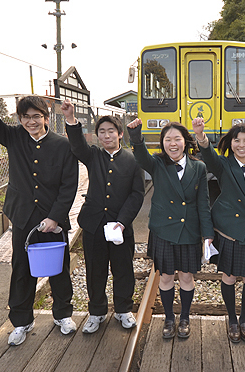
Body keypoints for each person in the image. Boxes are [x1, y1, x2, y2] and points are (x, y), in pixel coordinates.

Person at [0, 61, 78, 346]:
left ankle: (63, 314)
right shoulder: (13, 136)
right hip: (23, 217)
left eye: (36, 116)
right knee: (21, 268)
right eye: (25, 117)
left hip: (52, 218)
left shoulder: (62, 145)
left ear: (46, 117)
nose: (31, 121)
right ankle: (22, 321)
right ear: (20, 118)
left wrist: (55, 217)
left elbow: (68, 185)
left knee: (59, 268)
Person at [61, 102, 144, 334]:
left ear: (120, 134)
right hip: (94, 224)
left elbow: (137, 194)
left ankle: (123, 310)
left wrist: (123, 221)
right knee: (95, 270)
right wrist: (70, 119)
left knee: (123, 269)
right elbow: (77, 146)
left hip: (120, 226)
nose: (106, 135)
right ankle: (96, 312)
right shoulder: (93, 155)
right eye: (102, 132)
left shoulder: (133, 160)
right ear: (97, 136)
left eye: (111, 131)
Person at [127, 119, 214, 339]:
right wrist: (136, 135)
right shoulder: (156, 163)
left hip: (189, 231)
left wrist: (208, 234)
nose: (172, 144)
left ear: (185, 142)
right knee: (165, 277)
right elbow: (140, 156)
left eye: (177, 139)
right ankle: (168, 317)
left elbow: (203, 203)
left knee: (186, 276)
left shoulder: (199, 167)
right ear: (162, 143)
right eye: (168, 139)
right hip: (163, 230)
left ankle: (184, 317)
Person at [192, 118, 245, 343]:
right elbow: (208, 156)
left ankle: (244, 319)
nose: (241, 144)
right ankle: (231, 319)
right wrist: (200, 135)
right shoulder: (224, 164)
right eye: (236, 141)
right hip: (229, 229)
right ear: (230, 144)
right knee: (228, 276)